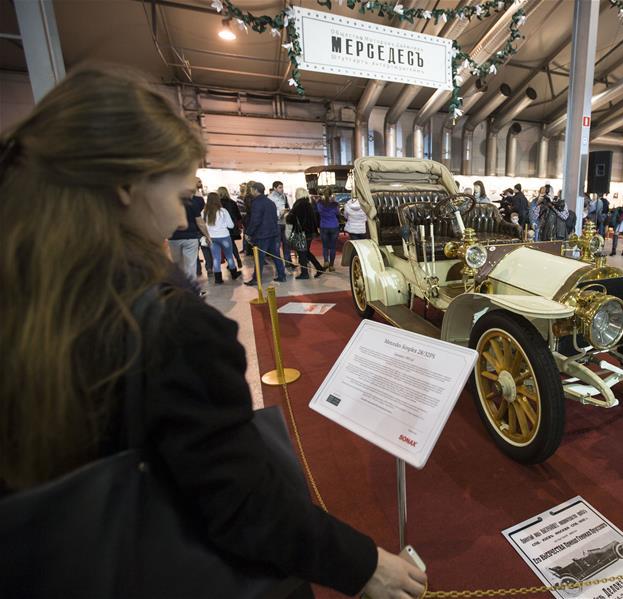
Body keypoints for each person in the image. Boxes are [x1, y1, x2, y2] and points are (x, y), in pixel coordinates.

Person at [0, 65, 425, 598]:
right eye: (178, 194)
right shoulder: (172, 327)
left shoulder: (30, 298)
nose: (184, 209)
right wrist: (365, 566)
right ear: (127, 186)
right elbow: (242, 500)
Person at [244, 181, 287, 284]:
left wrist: (248, 233)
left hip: (262, 235)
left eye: (252, 190)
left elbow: (255, 220)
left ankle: (256, 279)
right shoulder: (270, 202)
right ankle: (281, 275)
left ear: (255, 190)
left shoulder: (256, 203)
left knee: (259, 258)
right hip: (273, 232)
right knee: (276, 256)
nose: (251, 191)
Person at [167, 179, 207, 285]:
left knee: (178, 266)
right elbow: (200, 222)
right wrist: (207, 235)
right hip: (191, 237)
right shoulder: (192, 203)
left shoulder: (169, 204)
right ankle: (192, 290)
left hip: (174, 237)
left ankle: (181, 288)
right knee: (190, 266)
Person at [287, 188, 325, 279]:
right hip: (310, 232)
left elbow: (291, 219)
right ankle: (319, 268)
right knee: (306, 251)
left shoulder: (299, 204)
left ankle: (305, 273)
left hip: (302, 232)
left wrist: (287, 215)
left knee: (302, 252)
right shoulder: (308, 204)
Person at [202, 191, 239, 283]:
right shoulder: (223, 211)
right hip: (224, 236)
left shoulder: (204, 212)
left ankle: (218, 278)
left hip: (212, 238)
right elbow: (231, 225)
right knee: (229, 256)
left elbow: (203, 226)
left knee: (216, 258)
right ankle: (234, 274)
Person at [218, 186, 243, 268]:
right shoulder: (232, 202)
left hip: (222, 228)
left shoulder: (218, 203)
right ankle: (238, 259)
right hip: (232, 226)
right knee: (232, 244)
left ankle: (230, 263)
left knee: (225, 246)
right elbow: (238, 215)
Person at [269, 181, 292, 271]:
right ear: (274, 188)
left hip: (284, 223)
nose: (282, 189)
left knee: (286, 244)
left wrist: (287, 211)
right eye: (279, 187)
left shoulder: (284, 196)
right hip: (276, 224)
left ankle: (288, 262)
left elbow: (287, 207)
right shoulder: (270, 198)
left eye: (282, 187)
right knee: (277, 245)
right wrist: (280, 213)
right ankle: (279, 265)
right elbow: (271, 212)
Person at [316, 190, 341, 271]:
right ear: (332, 195)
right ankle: (331, 266)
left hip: (324, 226)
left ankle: (326, 260)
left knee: (325, 246)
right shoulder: (335, 204)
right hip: (334, 226)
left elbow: (318, 212)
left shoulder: (320, 204)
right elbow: (338, 213)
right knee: (333, 247)